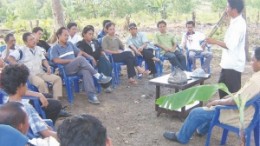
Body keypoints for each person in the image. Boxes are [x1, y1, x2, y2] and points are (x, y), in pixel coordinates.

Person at [163, 46, 260, 144]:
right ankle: (200, 130)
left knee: (196, 112)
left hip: (240, 115)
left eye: (253, 60)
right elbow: (244, 95)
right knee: (211, 109)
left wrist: (217, 101)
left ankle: (181, 137)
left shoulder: (256, 81)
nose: (251, 63)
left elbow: (236, 101)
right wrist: (229, 97)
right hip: (251, 113)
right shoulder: (257, 77)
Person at [51, 27, 112, 104]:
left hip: (76, 67)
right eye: (65, 35)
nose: (67, 37)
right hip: (65, 69)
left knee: (86, 71)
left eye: (67, 35)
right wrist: (73, 60)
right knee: (80, 59)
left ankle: (91, 95)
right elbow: (56, 60)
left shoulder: (70, 44)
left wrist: (83, 57)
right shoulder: (55, 48)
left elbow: (80, 52)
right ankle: (98, 76)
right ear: (59, 35)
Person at [0, 64, 58, 139]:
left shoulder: (3, 105)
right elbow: (46, 133)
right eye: (25, 83)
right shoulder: (25, 108)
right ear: (21, 85)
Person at [206, 0, 246, 98]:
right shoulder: (234, 21)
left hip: (233, 65)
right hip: (228, 64)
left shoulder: (238, 25)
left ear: (234, 9)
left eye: (228, 7)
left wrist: (214, 41)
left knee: (232, 93)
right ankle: (225, 111)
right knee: (222, 88)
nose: (226, 9)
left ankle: (234, 112)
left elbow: (230, 45)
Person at [8, 32, 63, 100]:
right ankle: (48, 102)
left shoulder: (38, 49)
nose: (33, 41)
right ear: (26, 42)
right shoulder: (21, 50)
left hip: (41, 72)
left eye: (33, 38)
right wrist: (19, 66)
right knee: (41, 83)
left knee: (57, 79)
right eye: (31, 40)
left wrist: (48, 66)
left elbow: (43, 59)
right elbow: (10, 58)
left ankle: (56, 100)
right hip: (30, 75)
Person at [77, 25, 113, 93]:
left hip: (98, 60)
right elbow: (81, 52)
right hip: (88, 63)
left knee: (106, 62)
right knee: (104, 63)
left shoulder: (95, 41)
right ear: (84, 34)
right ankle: (105, 85)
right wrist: (91, 57)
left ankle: (104, 83)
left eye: (92, 34)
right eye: (89, 34)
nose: (91, 36)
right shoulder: (81, 43)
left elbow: (100, 49)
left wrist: (105, 55)